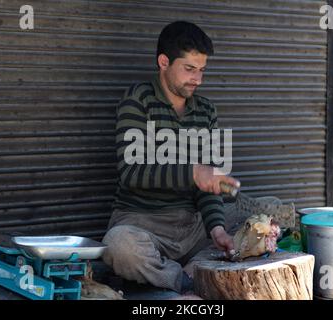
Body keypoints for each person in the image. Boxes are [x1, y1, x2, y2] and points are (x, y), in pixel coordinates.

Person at [102, 21, 240, 294]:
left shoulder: (206, 110)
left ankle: (191, 266)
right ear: (163, 62)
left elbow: (208, 185)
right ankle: (185, 280)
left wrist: (216, 229)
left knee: (265, 213)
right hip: (142, 223)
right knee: (119, 247)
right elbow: (132, 171)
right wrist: (193, 173)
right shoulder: (138, 100)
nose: (197, 80)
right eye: (189, 69)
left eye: (202, 71)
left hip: (191, 225)